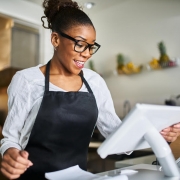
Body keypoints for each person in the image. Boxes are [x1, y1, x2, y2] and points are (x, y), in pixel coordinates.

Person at [0, 0, 180, 179]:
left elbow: (118, 136)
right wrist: (10, 153)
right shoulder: (27, 80)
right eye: (80, 43)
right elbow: (10, 138)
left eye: (91, 46)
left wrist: (157, 134)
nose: (87, 53)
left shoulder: (95, 81)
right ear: (55, 39)